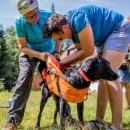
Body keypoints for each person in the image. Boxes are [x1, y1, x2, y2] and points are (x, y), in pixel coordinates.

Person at [43, 5, 130, 130]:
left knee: (110, 75)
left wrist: (60, 64)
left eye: (61, 38)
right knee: (103, 78)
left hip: (118, 29)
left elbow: (88, 51)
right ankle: (99, 121)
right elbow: (80, 52)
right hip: (104, 38)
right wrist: (63, 63)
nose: (63, 40)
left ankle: (117, 125)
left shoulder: (78, 18)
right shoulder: (72, 31)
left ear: (64, 27)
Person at [2, 0, 63, 130]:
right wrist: (40, 55)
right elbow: (22, 47)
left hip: (49, 51)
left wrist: (57, 52)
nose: (32, 19)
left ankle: (66, 116)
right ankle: (13, 121)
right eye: (28, 17)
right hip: (29, 52)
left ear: (38, 9)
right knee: (25, 77)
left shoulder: (49, 16)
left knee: (57, 79)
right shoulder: (20, 23)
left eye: (34, 15)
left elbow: (59, 36)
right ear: (23, 16)